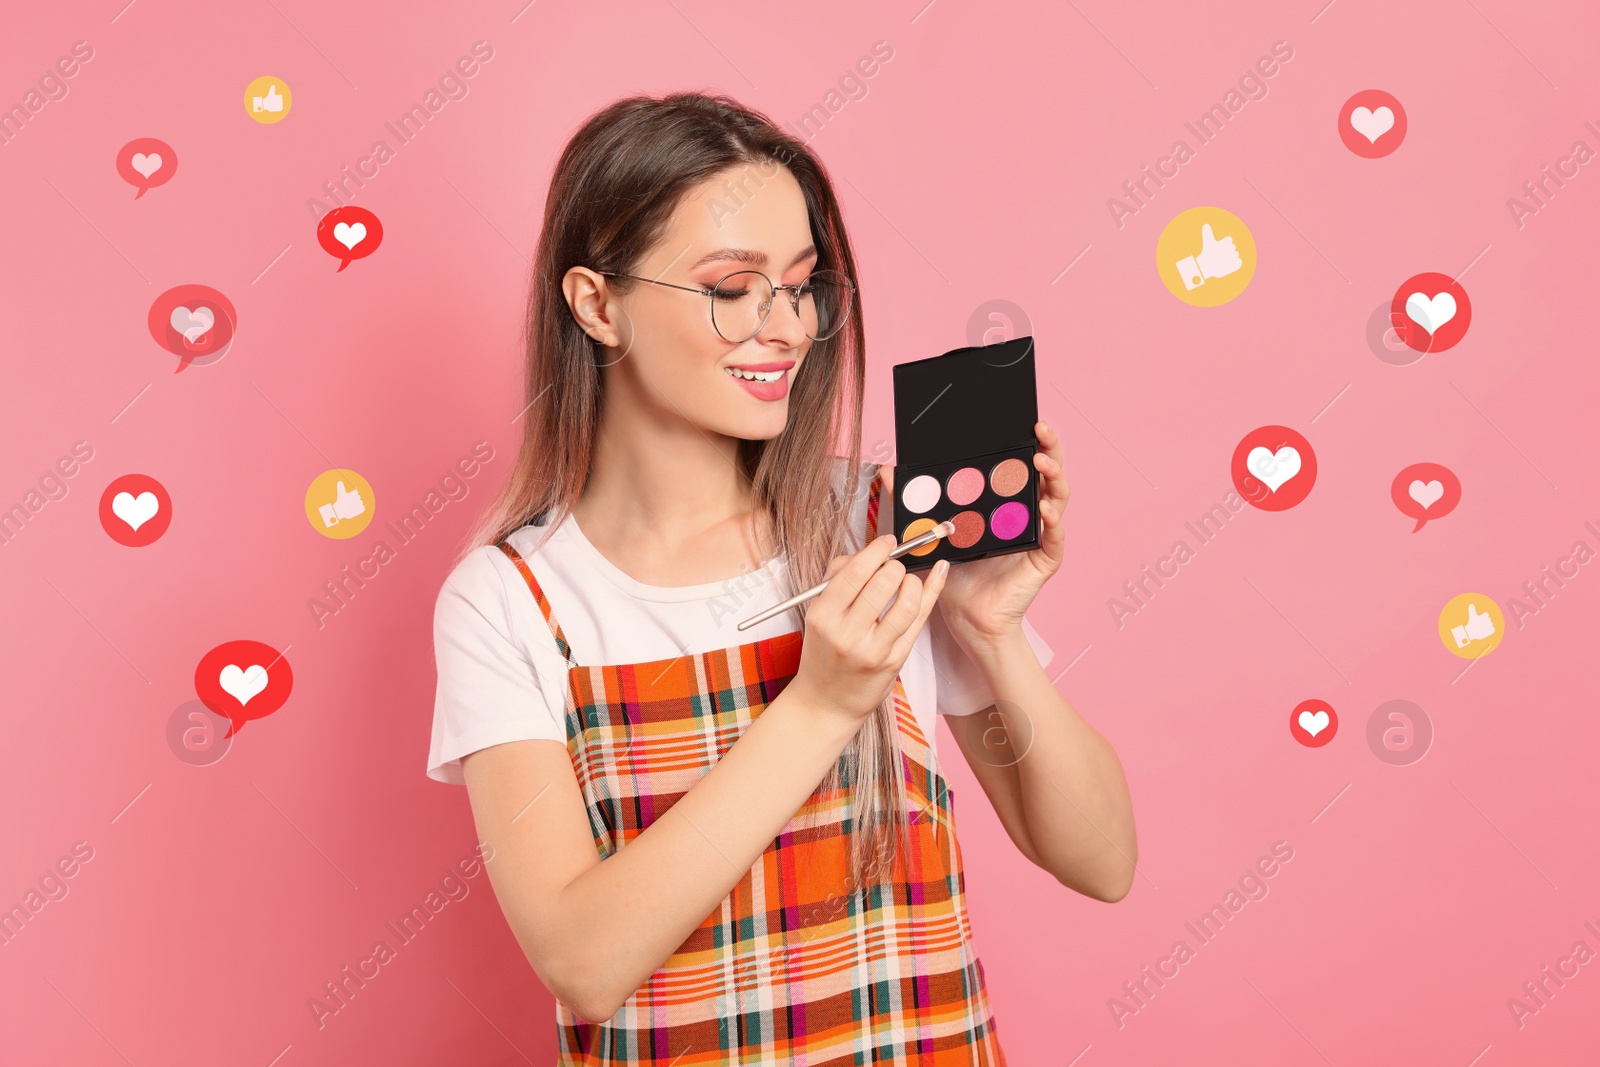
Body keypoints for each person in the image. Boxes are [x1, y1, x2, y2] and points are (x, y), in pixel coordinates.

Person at [427, 90, 1136, 1064]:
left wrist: (992, 633)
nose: (787, 326)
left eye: (801, 285)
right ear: (597, 303)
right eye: (731, 286)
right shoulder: (511, 600)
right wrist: (821, 702)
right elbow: (583, 959)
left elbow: (1102, 861)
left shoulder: (881, 525)